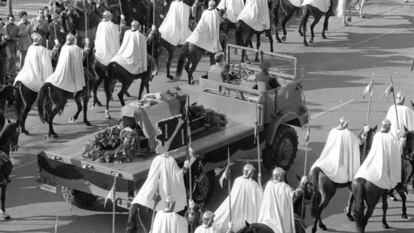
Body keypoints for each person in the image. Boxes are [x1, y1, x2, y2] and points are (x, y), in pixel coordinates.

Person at [126, 148, 190, 233]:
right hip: (166, 192)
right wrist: (186, 166)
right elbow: (178, 177)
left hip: (153, 190)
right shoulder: (171, 161)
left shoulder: (156, 159)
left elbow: (152, 176)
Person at [310, 117, 364, 184]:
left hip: (329, 157)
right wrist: (364, 133)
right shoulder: (348, 134)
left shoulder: (333, 131)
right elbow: (358, 142)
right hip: (340, 161)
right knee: (350, 174)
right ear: (346, 124)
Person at [354, 119, 404, 190]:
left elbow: (365, 140)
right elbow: (399, 149)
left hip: (375, 158)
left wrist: (365, 132)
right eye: (389, 126)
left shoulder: (377, 135)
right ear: (387, 127)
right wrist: (402, 138)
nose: (390, 128)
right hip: (384, 160)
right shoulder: (391, 138)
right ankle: (399, 187)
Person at [214, 163, 263, 233]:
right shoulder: (253, 184)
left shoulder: (238, 180)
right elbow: (260, 195)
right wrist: (260, 183)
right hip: (249, 208)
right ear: (250, 172)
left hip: (236, 207)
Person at [258, 167, 307, 233]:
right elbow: (295, 195)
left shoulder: (268, 185)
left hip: (267, 216)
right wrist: (302, 184)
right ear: (280, 177)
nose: (284, 177)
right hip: (278, 218)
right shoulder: (284, 186)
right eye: (283, 175)